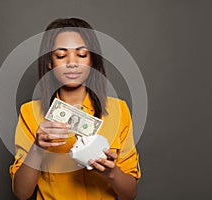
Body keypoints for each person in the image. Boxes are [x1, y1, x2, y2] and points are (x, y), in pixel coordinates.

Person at [9, 18, 141, 200]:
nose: (72, 62)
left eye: (82, 54)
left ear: (92, 60)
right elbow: (21, 193)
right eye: (61, 56)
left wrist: (111, 173)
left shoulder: (118, 110)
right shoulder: (30, 112)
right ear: (49, 62)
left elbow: (130, 194)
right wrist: (38, 148)